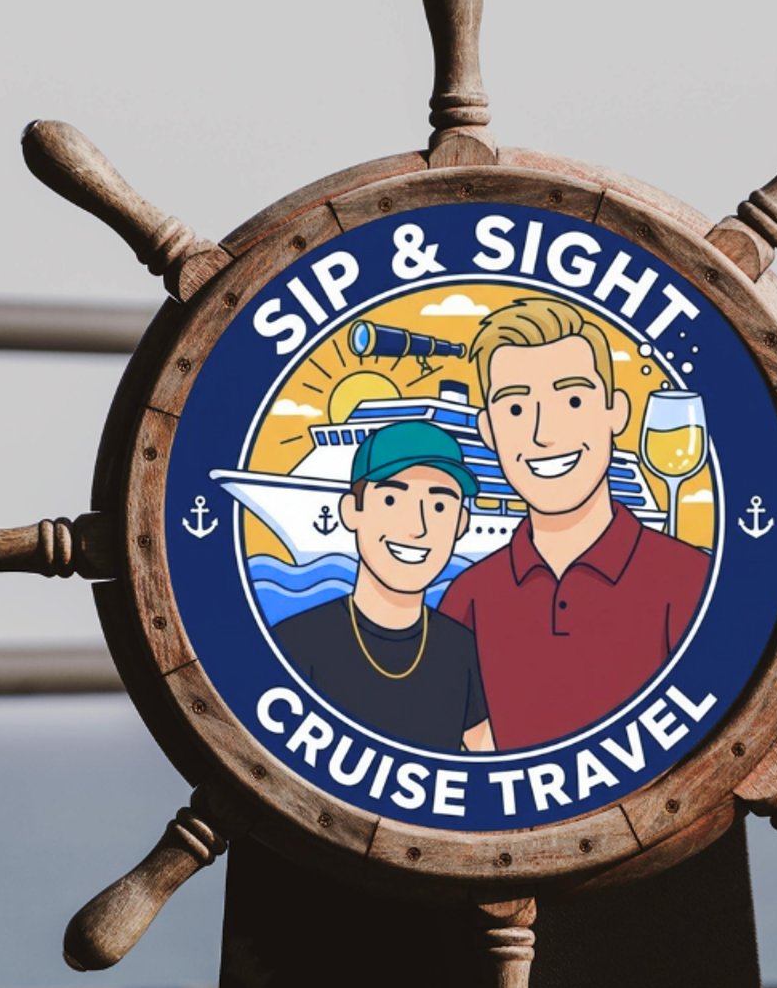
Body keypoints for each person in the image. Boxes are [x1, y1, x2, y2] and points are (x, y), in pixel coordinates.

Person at [438, 297, 707, 752]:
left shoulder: (692, 583)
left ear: (616, 413)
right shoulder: (467, 601)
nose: (545, 433)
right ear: (488, 431)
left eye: (574, 399)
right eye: (516, 409)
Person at [277, 423, 493, 752]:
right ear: (352, 511)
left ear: (461, 523)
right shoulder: (294, 645)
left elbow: (490, 765)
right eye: (391, 499)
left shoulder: (464, 650)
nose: (417, 527)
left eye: (439, 507)